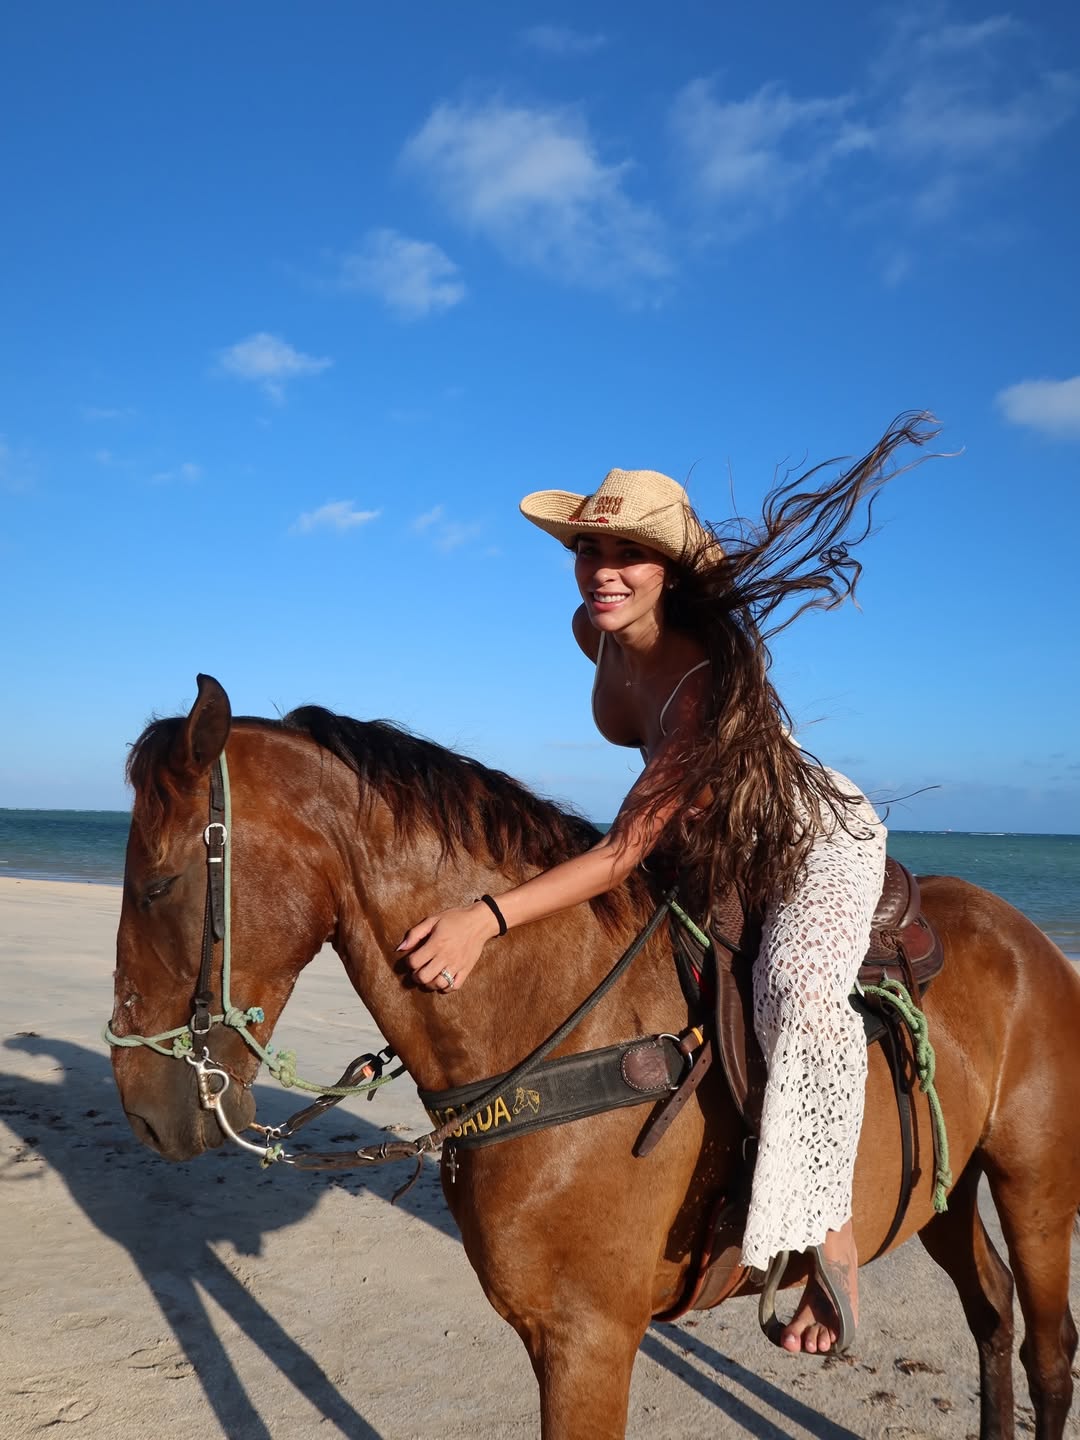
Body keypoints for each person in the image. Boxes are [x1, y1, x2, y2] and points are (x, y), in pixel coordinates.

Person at [399, 417, 932, 1355]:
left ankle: (830, 1240)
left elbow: (621, 851)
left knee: (796, 996)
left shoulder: (707, 673)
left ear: (670, 570)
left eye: (632, 555)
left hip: (808, 838)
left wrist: (485, 915)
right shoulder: (593, 627)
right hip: (707, 840)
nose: (603, 572)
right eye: (590, 550)